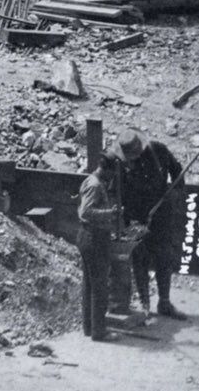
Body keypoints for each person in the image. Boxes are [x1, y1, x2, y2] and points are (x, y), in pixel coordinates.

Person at [116, 129, 187, 320]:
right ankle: (145, 305)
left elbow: (178, 173)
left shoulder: (159, 151)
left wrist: (175, 193)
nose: (134, 158)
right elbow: (118, 192)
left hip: (161, 215)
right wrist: (127, 219)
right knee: (140, 260)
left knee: (164, 257)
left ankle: (164, 302)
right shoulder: (120, 163)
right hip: (136, 218)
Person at [77, 152, 122, 342]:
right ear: (107, 169)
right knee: (100, 286)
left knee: (90, 285)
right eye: (113, 173)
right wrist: (109, 213)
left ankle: (89, 327)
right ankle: (99, 331)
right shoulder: (95, 185)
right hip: (94, 238)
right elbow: (86, 212)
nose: (113, 177)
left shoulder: (91, 180)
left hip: (89, 237)